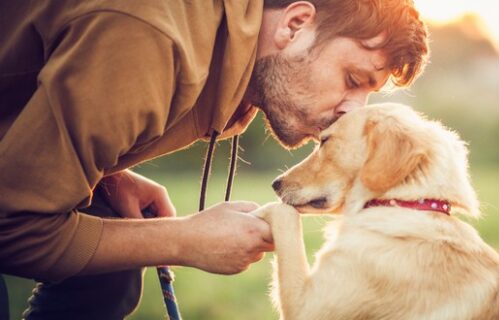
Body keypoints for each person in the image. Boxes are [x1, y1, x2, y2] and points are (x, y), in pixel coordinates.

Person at [0, 0, 428, 318]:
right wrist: (182, 240)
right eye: (353, 80)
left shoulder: (233, 56)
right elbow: (11, 226)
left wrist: (110, 173)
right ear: (296, 24)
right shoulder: (152, 37)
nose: (354, 109)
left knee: (110, 274)